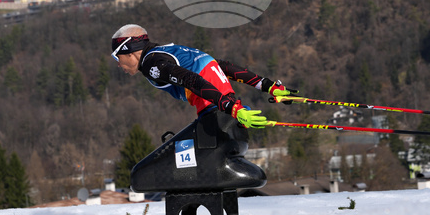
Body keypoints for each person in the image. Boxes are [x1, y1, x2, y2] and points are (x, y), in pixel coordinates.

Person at [110, 24, 295, 129]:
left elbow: (190, 79)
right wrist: (266, 85)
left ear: (129, 51)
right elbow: (221, 66)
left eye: (116, 57)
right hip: (225, 104)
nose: (118, 65)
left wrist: (230, 108)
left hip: (215, 108)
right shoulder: (167, 50)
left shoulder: (151, 64)